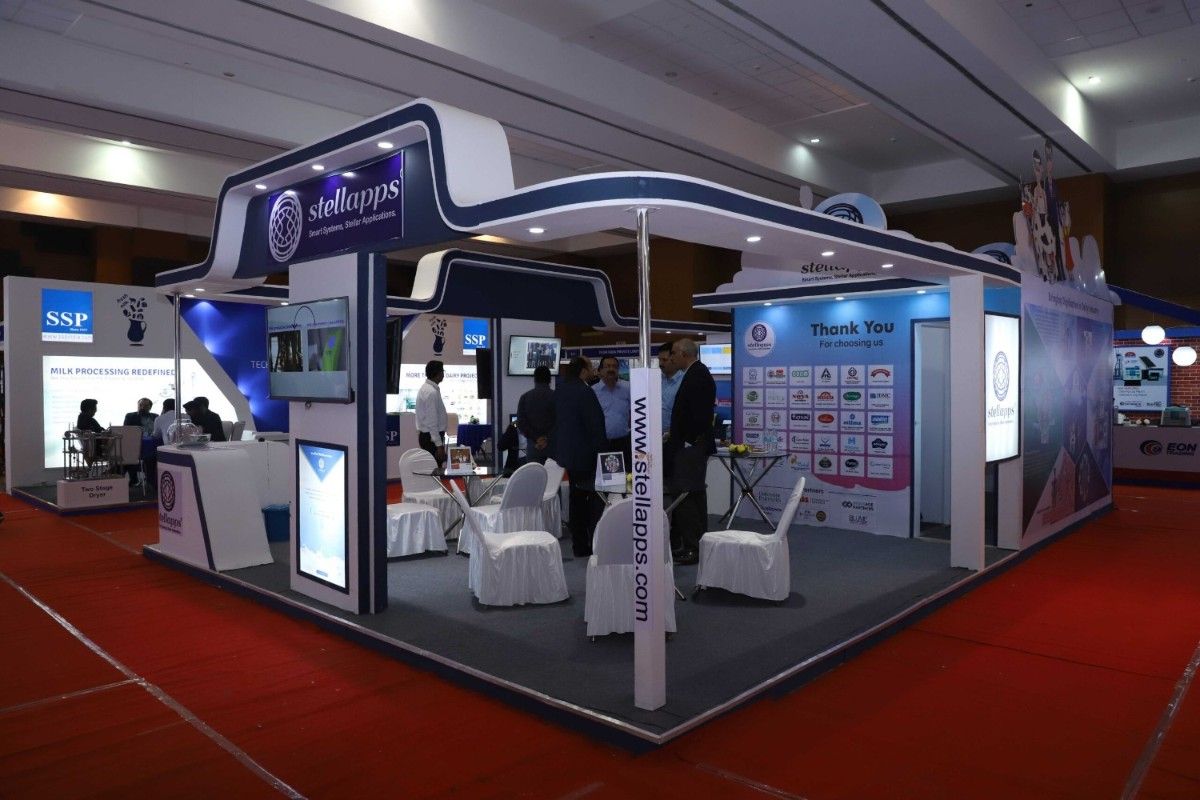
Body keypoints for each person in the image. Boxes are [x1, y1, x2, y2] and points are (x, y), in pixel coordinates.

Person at [666, 338, 716, 565]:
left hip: (691, 448)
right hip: (692, 446)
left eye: (673, 354)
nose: (671, 358)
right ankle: (696, 544)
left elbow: (699, 415)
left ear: (683, 354)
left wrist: (687, 440)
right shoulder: (696, 373)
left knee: (686, 494)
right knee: (693, 493)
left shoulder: (697, 376)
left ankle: (693, 547)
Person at [552, 356, 607, 557]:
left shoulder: (560, 390)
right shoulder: (585, 392)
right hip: (586, 455)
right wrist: (602, 451)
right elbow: (595, 425)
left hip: (568, 454)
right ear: (583, 371)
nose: (593, 371)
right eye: (591, 367)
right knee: (590, 499)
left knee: (576, 499)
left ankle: (579, 543)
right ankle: (589, 542)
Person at [592, 355, 631, 468]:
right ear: (600, 370)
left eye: (614, 366)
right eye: (607, 366)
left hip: (624, 443)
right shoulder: (593, 391)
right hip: (602, 444)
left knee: (626, 474)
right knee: (605, 475)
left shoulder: (628, 388)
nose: (611, 369)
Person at [516, 365, 555, 465]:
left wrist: (537, 439)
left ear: (535, 379)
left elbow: (521, 423)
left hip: (534, 448)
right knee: (554, 474)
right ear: (550, 379)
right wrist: (546, 439)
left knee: (535, 474)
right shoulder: (557, 397)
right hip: (553, 448)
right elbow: (561, 422)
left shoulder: (525, 397)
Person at [415, 359, 448, 466]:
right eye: (442, 371)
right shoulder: (431, 392)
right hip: (431, 438)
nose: (443, 374)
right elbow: (432, 421)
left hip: (429, 436)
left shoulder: (426, 389)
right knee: (434, 469)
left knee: (431, 468)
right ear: (437, 373)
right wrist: (439, 445)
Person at [658, 340, 683, 435]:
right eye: (659, 359)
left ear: (674, 359)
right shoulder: (656, 380)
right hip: (655, 434)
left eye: (664, 360)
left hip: (675, 435)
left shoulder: (684, 381)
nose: (660, 364)